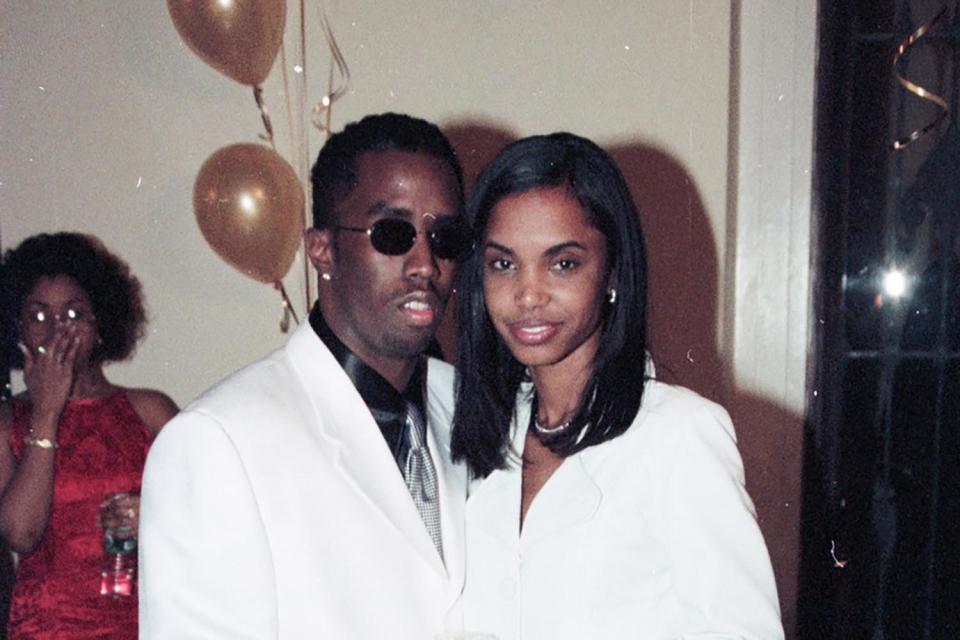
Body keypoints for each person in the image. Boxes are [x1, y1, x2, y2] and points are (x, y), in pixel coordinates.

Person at [139, 113, 475, 639]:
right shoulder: (219, 441)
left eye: (446, 236)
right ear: (322, 250)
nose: (426, 264)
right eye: (393, 233)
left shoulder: (470, 407)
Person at [452, 133, 784, 639]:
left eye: (562, 263)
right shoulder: (484, 432)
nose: (528, 294)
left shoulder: (677, 435)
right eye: (503, 263)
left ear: (611, 272)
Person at [0, 232, 178, 639]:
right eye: (39, 316)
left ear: (101, 323)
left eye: (74, 313)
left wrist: (155, 515)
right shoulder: (7, 419)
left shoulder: (149, 411)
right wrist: (46, 411)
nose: (56, 330)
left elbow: (210, 515)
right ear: (18, 330)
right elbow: (21, 534)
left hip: (145, 623)